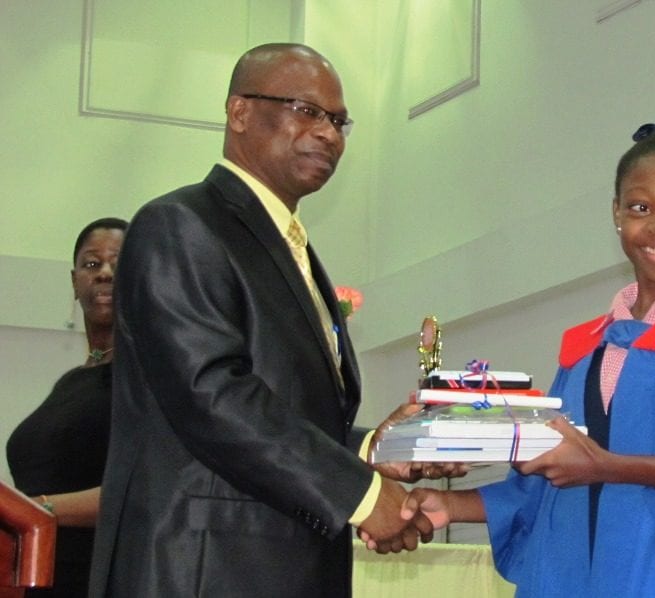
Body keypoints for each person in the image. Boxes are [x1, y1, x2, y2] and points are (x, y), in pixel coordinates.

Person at [88, 43, 436, 598]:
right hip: (201, 571)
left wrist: (378, 452)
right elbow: (212, 397)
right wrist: (364, 496)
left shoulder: (291, 248)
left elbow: (284, 412)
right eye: (307, 110)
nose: (329, 134)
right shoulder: (179, 226)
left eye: (340, 121)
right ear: (239, 112)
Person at [394, 126, 655, 595]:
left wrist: (604, 466)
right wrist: (455, 506)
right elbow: (544, 481)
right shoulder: (586, 347)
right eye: (641, 207)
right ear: (617, 213)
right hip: (570, 575)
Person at [6, 217, 126, 597]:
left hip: (102, 580)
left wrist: (36, 510)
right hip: (38, 576)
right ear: (74, 282)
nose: (105, 274)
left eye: (119, 263)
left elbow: (144, 491)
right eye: (92, 264)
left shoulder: (149, 377)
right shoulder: (71, 381)